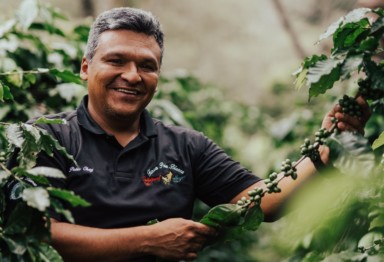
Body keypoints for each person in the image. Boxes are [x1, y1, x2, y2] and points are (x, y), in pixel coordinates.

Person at [12, 7, 370, 262]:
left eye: (147, 66)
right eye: (117, 61)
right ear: (87, 67)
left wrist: (325, 149)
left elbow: (261, 202)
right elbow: (33, 233)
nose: (133, 76)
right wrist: (148, 241)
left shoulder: (185, 145)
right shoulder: (45, 137)